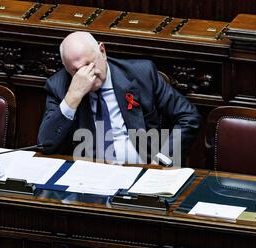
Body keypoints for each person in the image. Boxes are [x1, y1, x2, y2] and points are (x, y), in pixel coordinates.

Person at [37, 31, 201, 166]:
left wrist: (163, 159)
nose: (87, 76)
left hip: (143, 170)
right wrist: (73, 97)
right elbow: (46, 144)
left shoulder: (142, 73)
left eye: (89, 65)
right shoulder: (59, 86)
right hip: (88, 176)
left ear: (102, 51)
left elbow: (189, 117)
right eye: (76, 71)